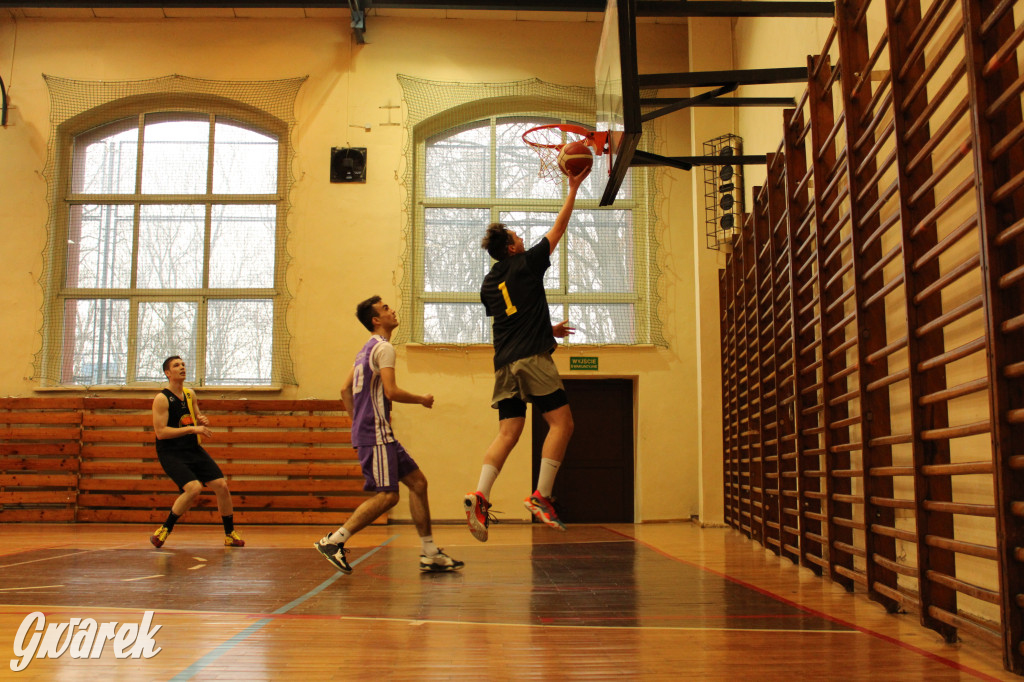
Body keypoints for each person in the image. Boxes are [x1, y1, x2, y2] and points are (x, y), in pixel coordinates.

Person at [464, 163, 590, 542]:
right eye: (518, 237)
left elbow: (511, 314)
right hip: (533, 358)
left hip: (504, 363)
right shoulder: (527, 263)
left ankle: (480, 495)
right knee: (562, 424)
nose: (522, 240)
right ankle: (541, 496)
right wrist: (572, 188)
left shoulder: (488, 284)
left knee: (508, 432)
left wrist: (545, 327)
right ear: (513, 247)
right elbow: (559, 229)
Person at [314, 296, 464, 574]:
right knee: (388, 496)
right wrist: (421, 399)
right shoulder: (383, 349)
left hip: (375, 433)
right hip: (376, 434)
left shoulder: (364, 351)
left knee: (418, 483)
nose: (391, 310)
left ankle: (430, 553)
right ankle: (334, 541)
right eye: (385, 309)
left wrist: (356, 422)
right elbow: (391, 391)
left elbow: (344, 390)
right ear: (376, 320)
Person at [150, 356, 244, 548]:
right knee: (193, 488)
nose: (182, 367)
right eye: (176, 365)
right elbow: (161, 433)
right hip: (171, 452)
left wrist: (201, 420)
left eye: (183, 364)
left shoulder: (190, 394)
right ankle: (164, 530)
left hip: (192, 448)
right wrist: (193, 429)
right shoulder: (161, 399)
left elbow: (195, 414)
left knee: (221, 485)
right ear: (167, 373)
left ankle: (229, 534)